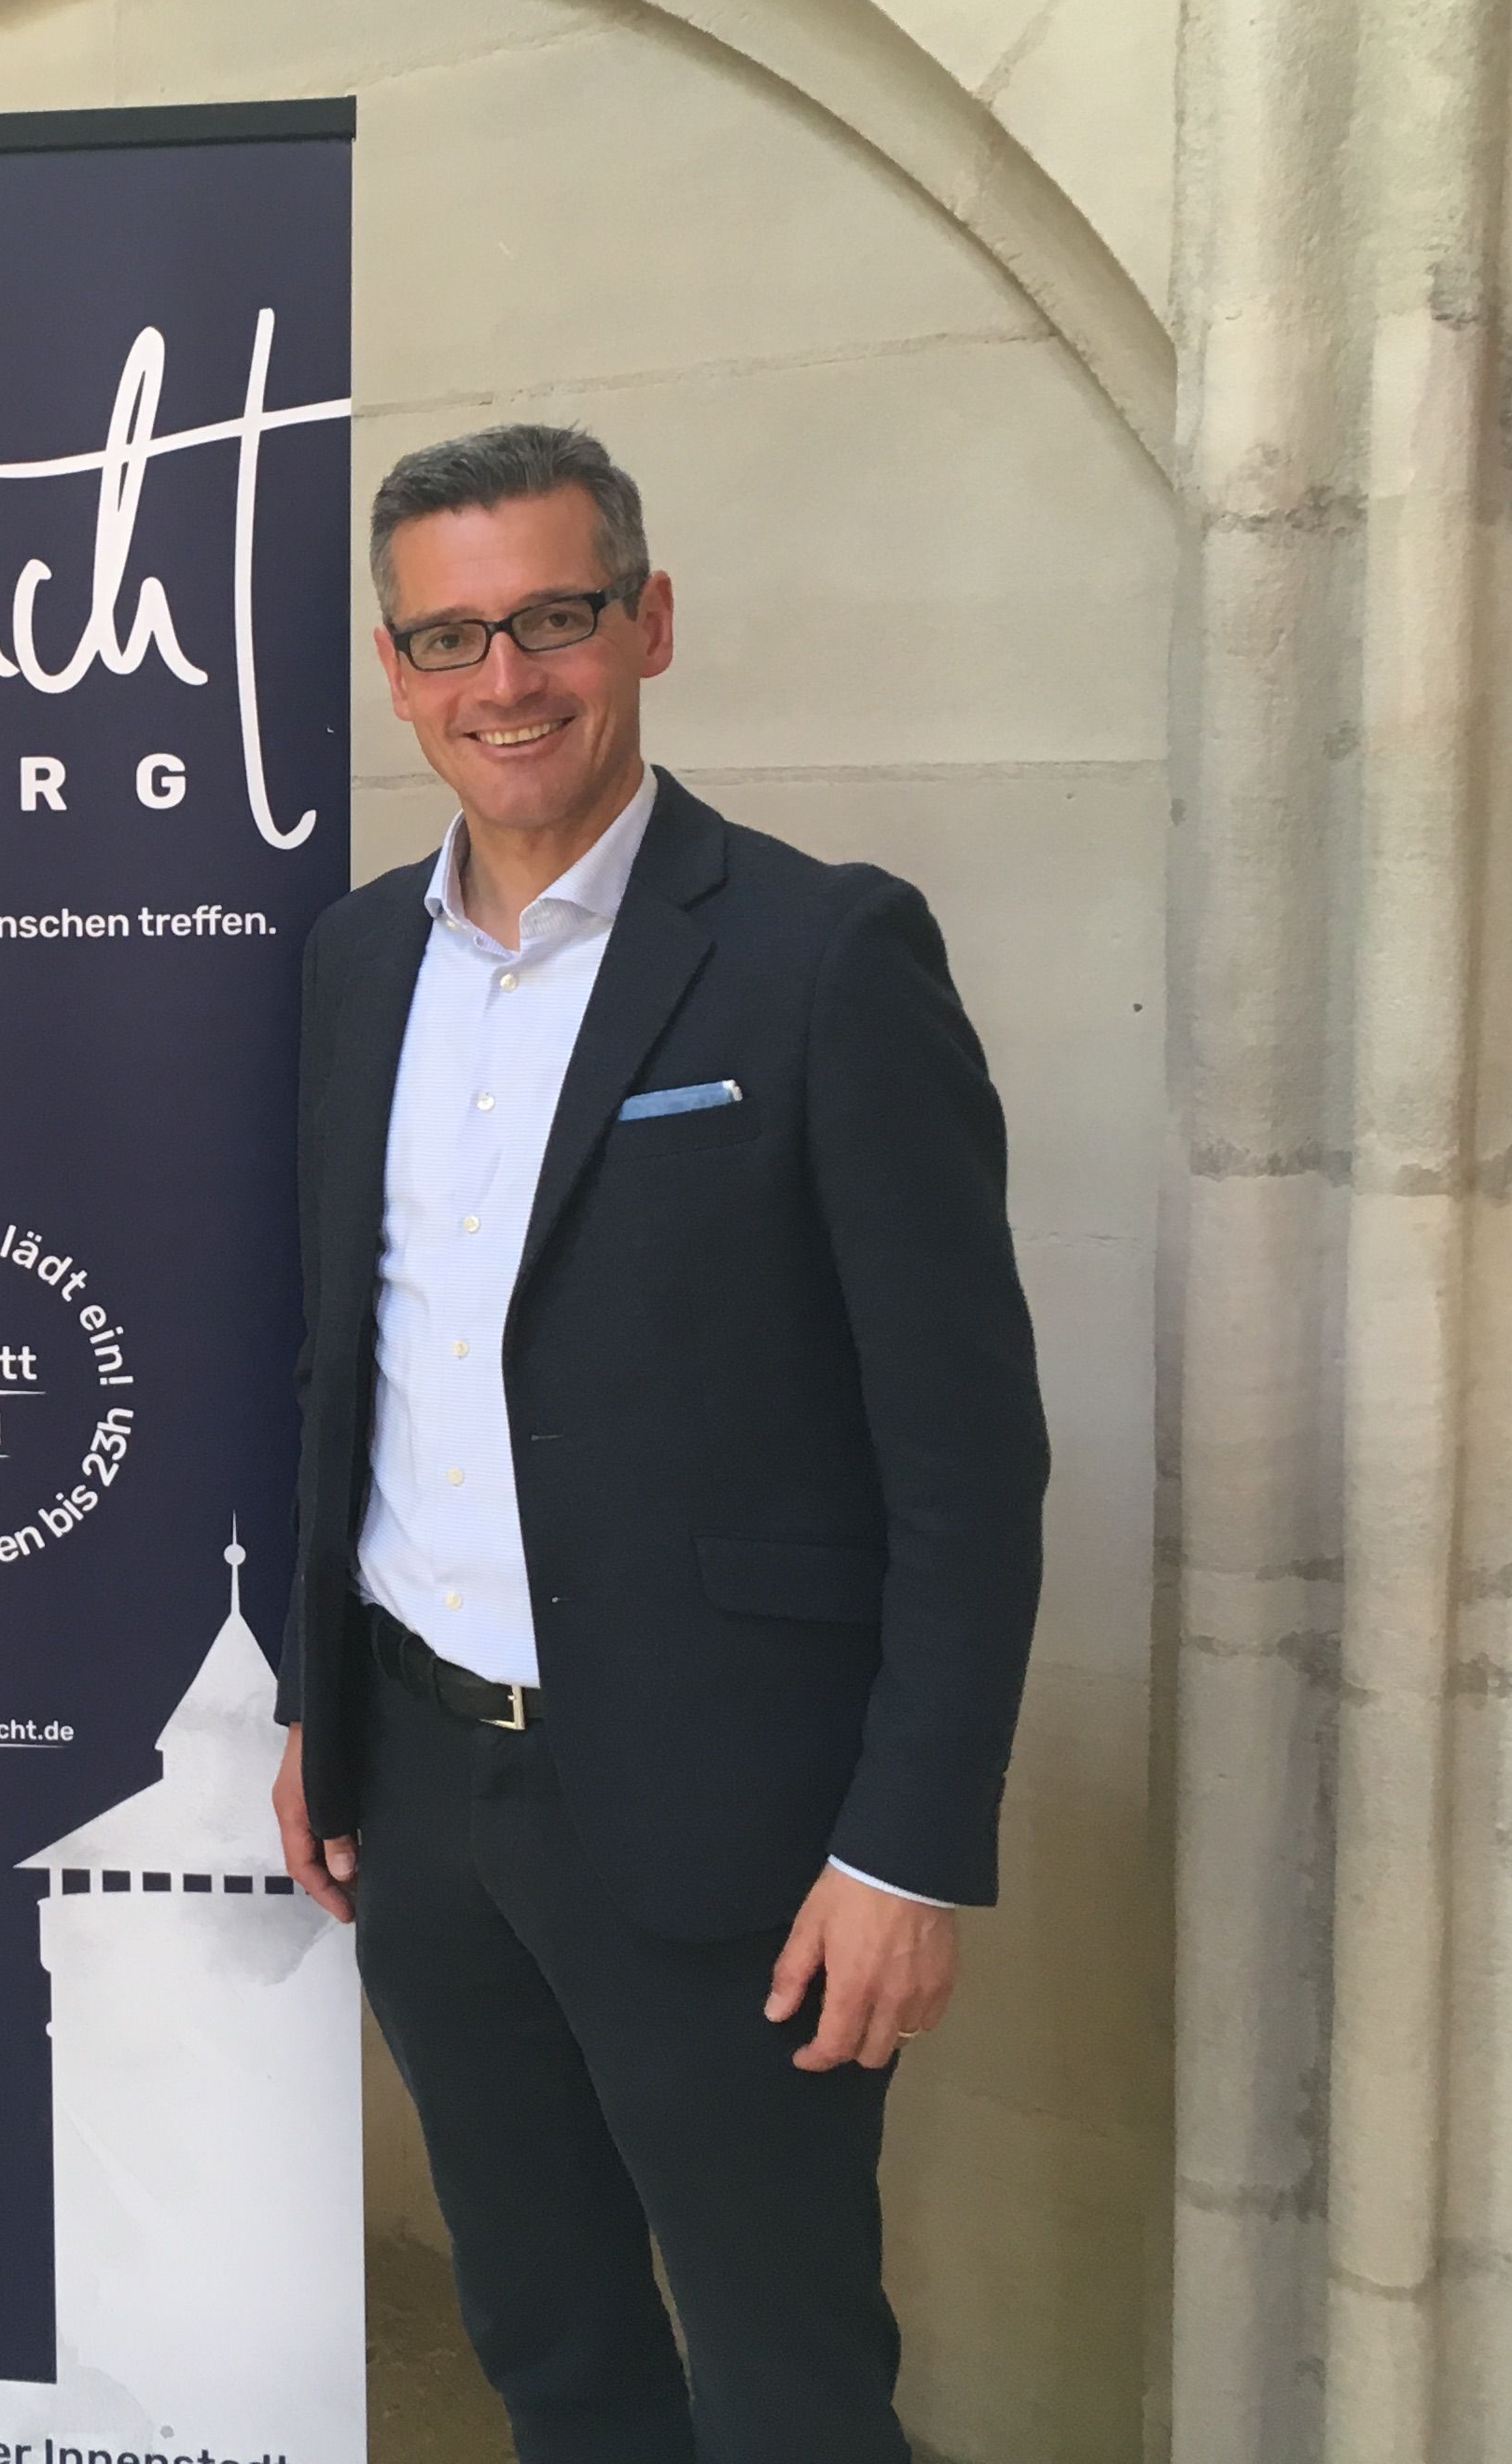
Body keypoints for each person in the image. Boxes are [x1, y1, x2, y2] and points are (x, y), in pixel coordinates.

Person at [269, 424, 1045, 2464]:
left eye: (554, 617)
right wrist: (321, 1705)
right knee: (547, 2341)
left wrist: (905, 1847)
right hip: (424, 1797)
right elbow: (351, 1367)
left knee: (787, 2378)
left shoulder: (821, 957)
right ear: (395, 670)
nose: (505, 680)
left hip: (734, 1823)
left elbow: (967, 1458)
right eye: (450, 638)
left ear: (650, 621)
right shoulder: (355, 963)